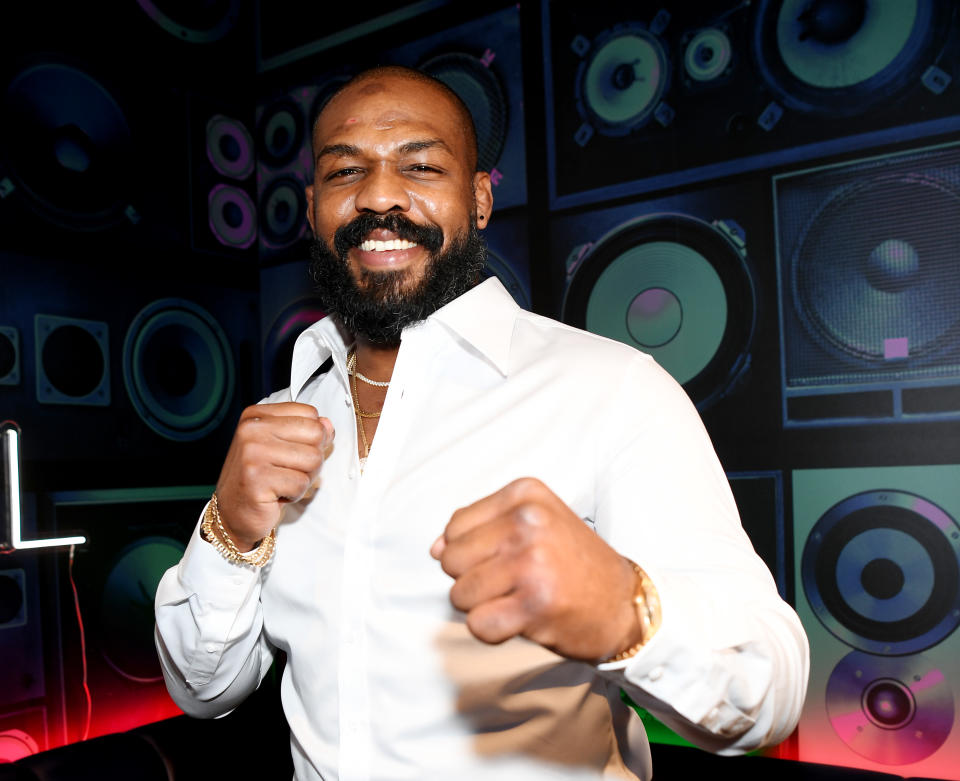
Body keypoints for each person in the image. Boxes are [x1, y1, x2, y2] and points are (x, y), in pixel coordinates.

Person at [155, 65, 808, 780]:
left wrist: (626, 610)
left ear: (480, 199)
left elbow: (772, 689)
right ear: (314, 208)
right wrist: (230, 529)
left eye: (421, 165)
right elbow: (201, 689)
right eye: (346, 172)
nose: (378, 196)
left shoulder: (612, 388)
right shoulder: (282, 418)